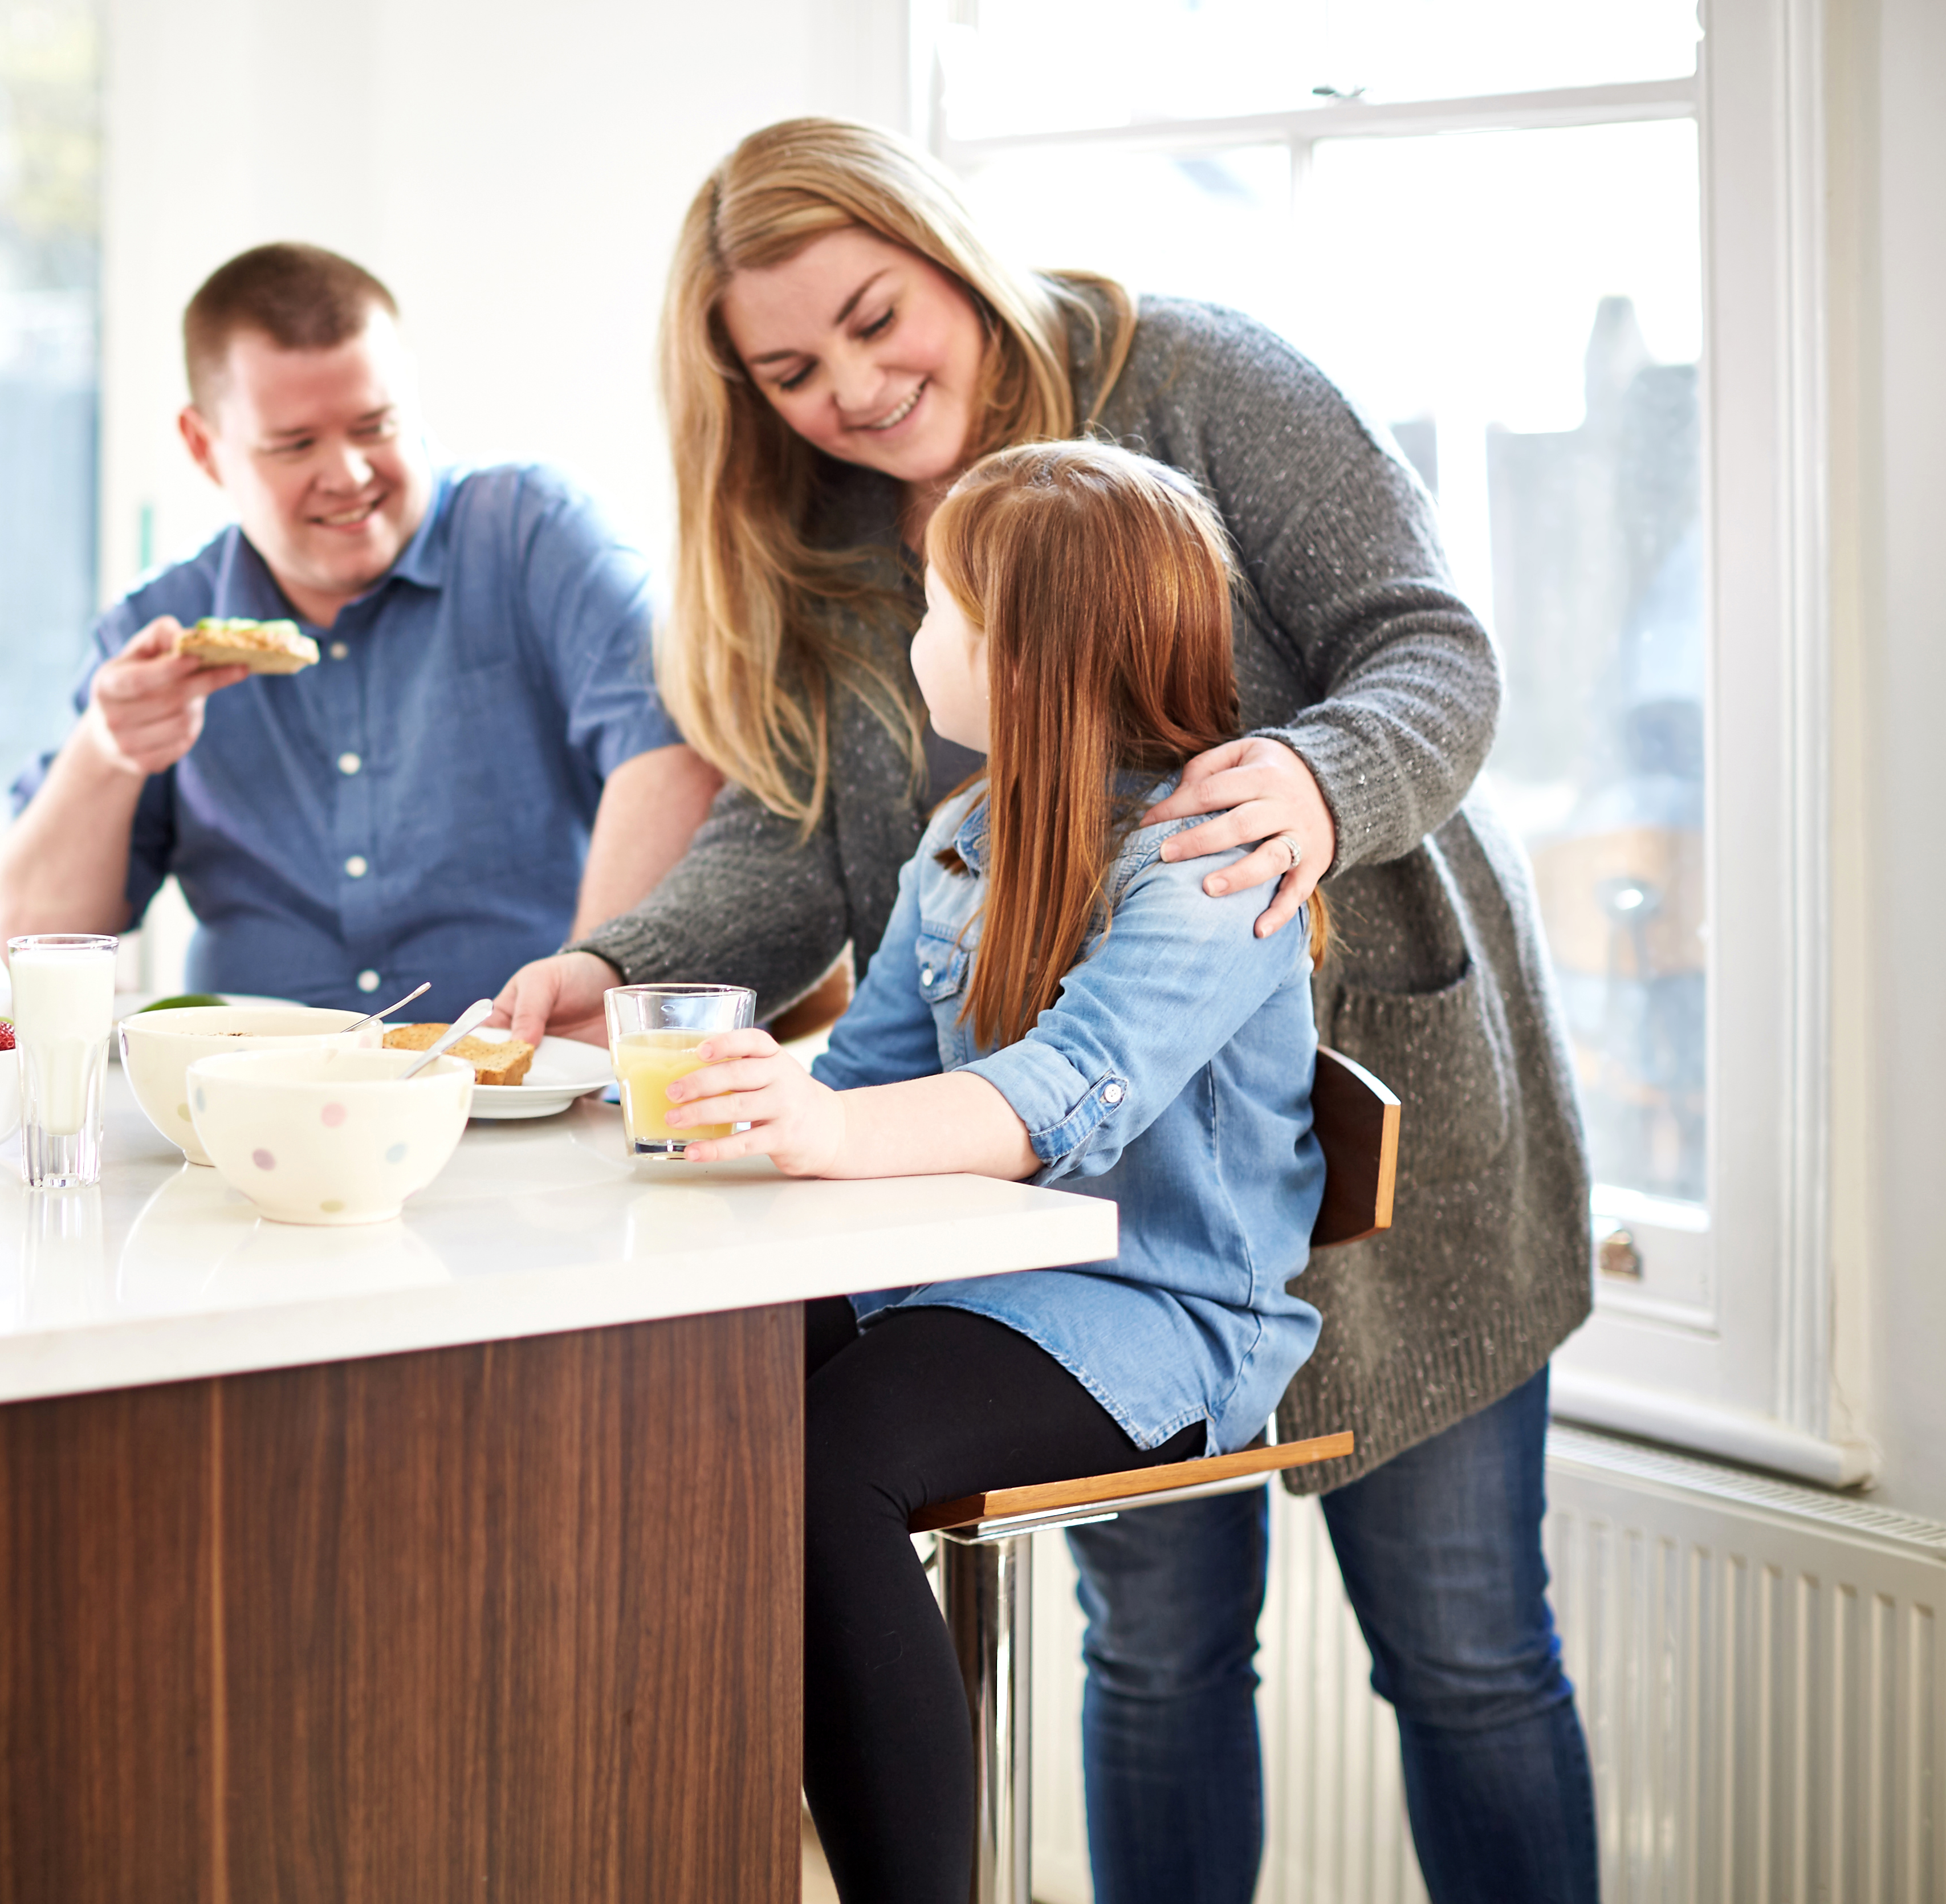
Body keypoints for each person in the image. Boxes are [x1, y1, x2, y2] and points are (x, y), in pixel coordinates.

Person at [496, 120, 1598, 1901]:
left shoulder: (1198, 381)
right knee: (1156, 1650)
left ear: (946, 249)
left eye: (874, 318)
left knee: (1462, 1648)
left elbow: (1434, 648)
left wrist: (1315, 781)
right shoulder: (843, 559)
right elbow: (793, 837)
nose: (851, 387)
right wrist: (616, 966)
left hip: (1354, 1100)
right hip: (1062, 1212)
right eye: (788, 369)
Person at [668, 439, 1326, 1902]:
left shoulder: (1210, 865)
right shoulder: (962, 840)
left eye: (942, 609)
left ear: (1026, 655)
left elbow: (1061, 1092)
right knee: (689, 1377)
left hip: (1159, 1310)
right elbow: (864, 1086)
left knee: (832, 1459)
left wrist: (830, 1134)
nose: (918, 637)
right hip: (971, 1278)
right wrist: (742, 1121)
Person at [0, 242, 720, 1014]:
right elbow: (32, 944)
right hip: (252, 1110)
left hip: (521, 1092)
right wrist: (107, 752)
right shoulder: (156, 628)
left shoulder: (534, 537)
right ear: (205, 447)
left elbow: (670, 755)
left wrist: (582, 1013)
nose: (348, 475)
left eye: (374, 426)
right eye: (296, 445)